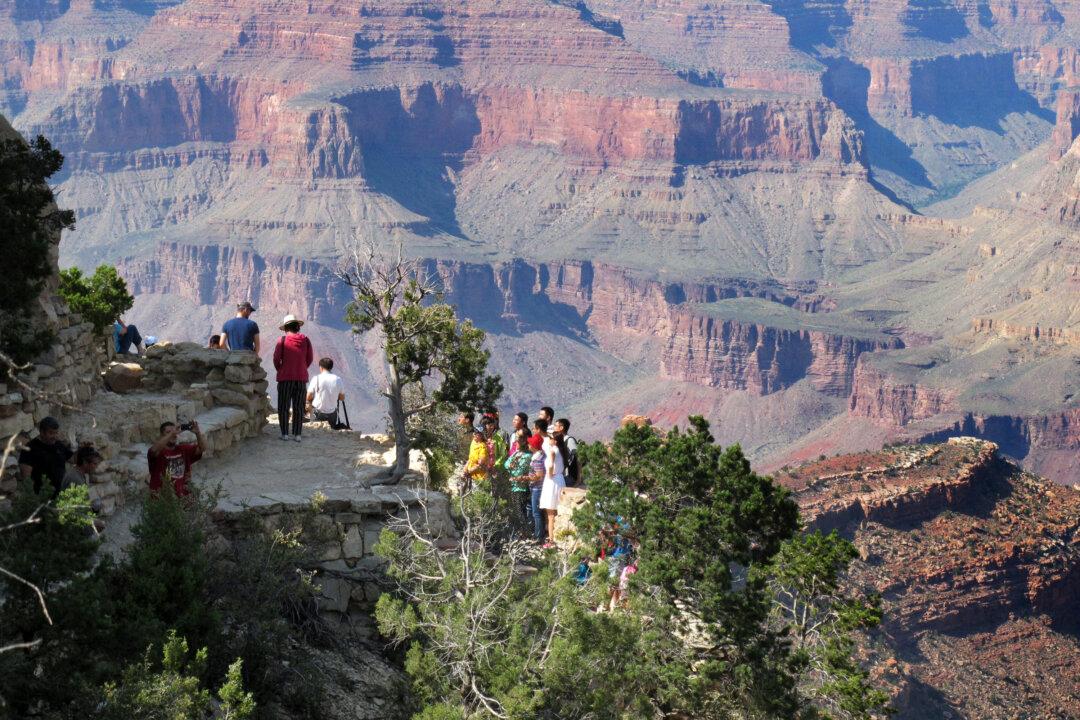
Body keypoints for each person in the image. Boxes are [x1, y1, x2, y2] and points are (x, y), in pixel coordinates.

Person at [273, 314, 313, 442]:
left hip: (285, 379)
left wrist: (281, 369)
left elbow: (276, 359)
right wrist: (301, 368)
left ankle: (285, 434)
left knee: (284, 406)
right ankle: (297, 434)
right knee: (299, 407)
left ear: (285, 328)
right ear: (297, 327)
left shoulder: (282, 341)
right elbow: (310, 358)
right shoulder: (306, 340)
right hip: (301, 379)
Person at [147, 420, 206, 497]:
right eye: (168, 432)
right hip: (163, 500)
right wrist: (172, 433)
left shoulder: (183, 449)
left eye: (175, 432)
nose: (174, 434)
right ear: (162, 436)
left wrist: (197, 433)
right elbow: (154, 450)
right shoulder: (159, 452)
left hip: (183, 498)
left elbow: (202, 448)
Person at [18, 416, 73, 498]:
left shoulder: (58, 445)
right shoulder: (30, 448)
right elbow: (27, 479)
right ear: (41, 432)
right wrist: (33, 499)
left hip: (61, 496)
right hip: (42, 497)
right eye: (51, 433)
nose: (54, 436)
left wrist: (84, 449)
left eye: (56, 433)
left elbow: (74, 459)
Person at [539, 430, 567, 549]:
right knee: (557, 510)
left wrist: (549, 474)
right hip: (560, 479)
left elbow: (550, 465)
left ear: (554, 440)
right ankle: (557, 537)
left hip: (552, 480)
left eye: (550, 438)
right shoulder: (561, 450)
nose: (548, 439)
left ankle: (551, 540)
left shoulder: (553, 450)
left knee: (550, 513)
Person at [504, 428, 534, 533]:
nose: (517, 439)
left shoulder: (528, 455)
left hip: (521, 486)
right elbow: (506, 464)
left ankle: (526, 532)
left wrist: (512, 468)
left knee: (520, 510)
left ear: (526, 439)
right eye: (517, 436)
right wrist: (510, 466)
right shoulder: (517, 453)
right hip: (513, 484)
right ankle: (522, 531)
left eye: (520, 437)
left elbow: (521, 470)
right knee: (517, 509)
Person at [306, 357, 346, 428]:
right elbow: (342, 398)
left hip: (318, 413)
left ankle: (311, 421)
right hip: (332, 415)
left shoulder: (316, 378)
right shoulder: (338, 379)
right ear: (331, 367)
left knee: (307, 406)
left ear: (321, 367)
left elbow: (308, 396)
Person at [526, 433, 546, 542]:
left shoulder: (537, 460)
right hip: (536, 488)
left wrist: (525, 478)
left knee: (536, 513)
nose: (528, 445)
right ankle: (538, 533)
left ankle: (539, 536)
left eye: (530, 444)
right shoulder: (540, 456)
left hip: (537, 488)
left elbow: (538, 476)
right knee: (536, 512)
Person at [553, 418, 580, 487]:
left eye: (556, 425)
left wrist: (579, 478)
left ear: (561, 427)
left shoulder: (569, 440)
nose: (554, 427)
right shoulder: (558, 441)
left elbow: (578, 458)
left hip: (569, 476)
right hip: (561, 476)